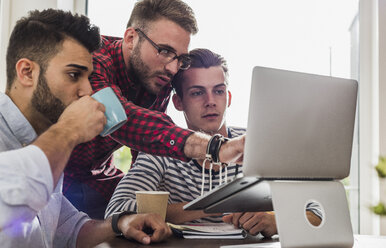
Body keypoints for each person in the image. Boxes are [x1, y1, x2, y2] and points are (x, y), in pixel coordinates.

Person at [105, 48, 322, 238]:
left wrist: (275, 222)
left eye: (218, 91)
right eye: (198, 92)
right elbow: (117, 210)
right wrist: (214, 205)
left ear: (228, 97)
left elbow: (318, 209)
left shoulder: (256, 144)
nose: (210, 101)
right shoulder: (162, 150)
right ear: (178, 102)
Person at [0, 9, 171, 247]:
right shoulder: (54, 139)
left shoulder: (46, 139)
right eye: (73, 75)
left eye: (88, 77)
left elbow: (67, 228)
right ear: (27, 72)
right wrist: (69, 131)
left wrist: (119, 223)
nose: (88, 91)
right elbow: (10, 198)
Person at [64, 0, 245, 220]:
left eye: (180, 58)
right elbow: (121, 119)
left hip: (98, 182)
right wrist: (215, 147)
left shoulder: (160, 78)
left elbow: (143, 151)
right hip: (53, 177)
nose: (172, 68)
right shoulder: (93, 60)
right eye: (164, 51)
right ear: (131, 38)